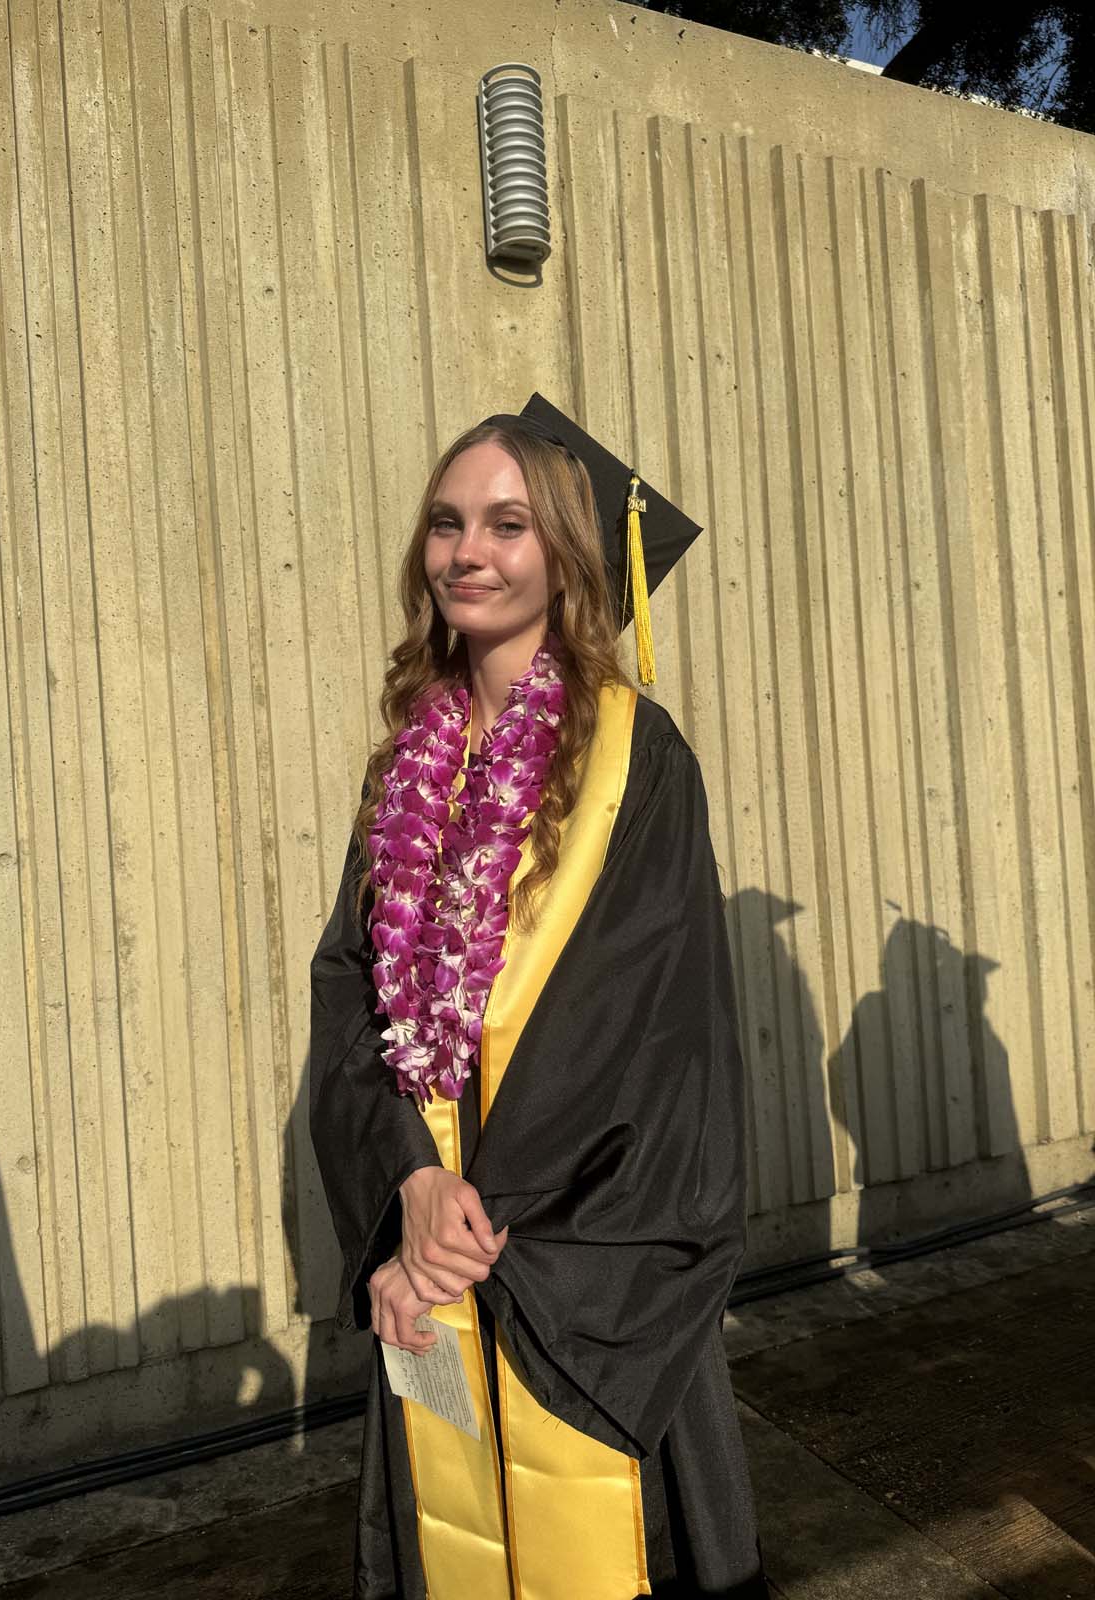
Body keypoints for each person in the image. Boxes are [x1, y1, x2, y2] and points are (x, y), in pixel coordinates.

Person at [309, 392, 769, 1598]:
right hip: (433, 1247)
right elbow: (349, 990)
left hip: (582, 1275)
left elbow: (646, 1033)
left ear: (565, 554)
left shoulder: (636, 757)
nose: (468, 551)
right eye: (447, 522)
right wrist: (408, 1184)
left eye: (507, 525)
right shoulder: (407, 766)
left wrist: (466, 1231)